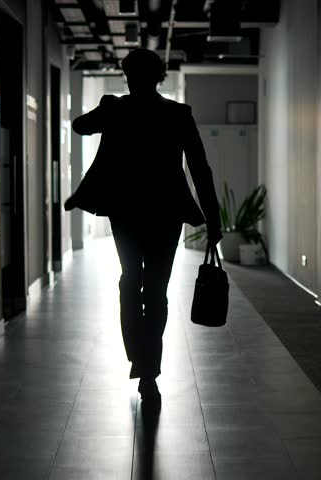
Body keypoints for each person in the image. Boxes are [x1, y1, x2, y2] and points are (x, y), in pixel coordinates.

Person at [65, 48, 222, 403]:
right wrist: (213, 219)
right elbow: (201, 169)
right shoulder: (176, 114)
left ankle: (140, 357)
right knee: (154, 290)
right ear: (160, 76)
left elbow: (80, 126)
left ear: (130, 76)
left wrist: (109, 107)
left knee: (130, 282)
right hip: (165, 214)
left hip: (127, 212)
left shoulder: (121, 110)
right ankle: (148, 367)